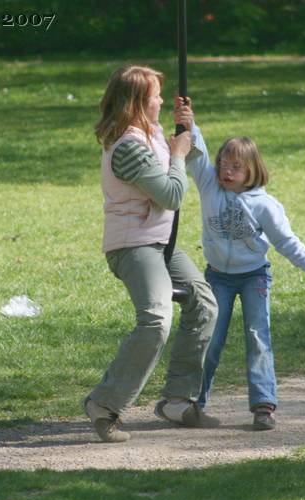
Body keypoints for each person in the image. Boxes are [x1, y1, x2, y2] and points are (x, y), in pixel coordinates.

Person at [174, 97, 305, 431]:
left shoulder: (264, 204)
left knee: (257, 336)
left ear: (251, 170)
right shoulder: (209, 185)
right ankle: (195, 403)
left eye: (235, 168)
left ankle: (263, 405)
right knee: (210, 338)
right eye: (224, 164)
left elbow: (285, 240)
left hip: (254, 276)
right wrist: (188, 122)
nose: (226, 171)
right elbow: (198, 152)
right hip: (218, 277)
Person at [84, 65, 219, 443]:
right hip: (133, 245)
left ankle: (177, 400)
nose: (162, 100)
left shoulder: (153, 134)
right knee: (156, 320)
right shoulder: (128, 146)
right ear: (138, 103)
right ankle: (105, 404)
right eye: (156, 96)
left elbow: (190, 160)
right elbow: (172, 194)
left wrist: (187, 130)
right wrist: (177, 153)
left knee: (204, 302)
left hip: (162, 244)